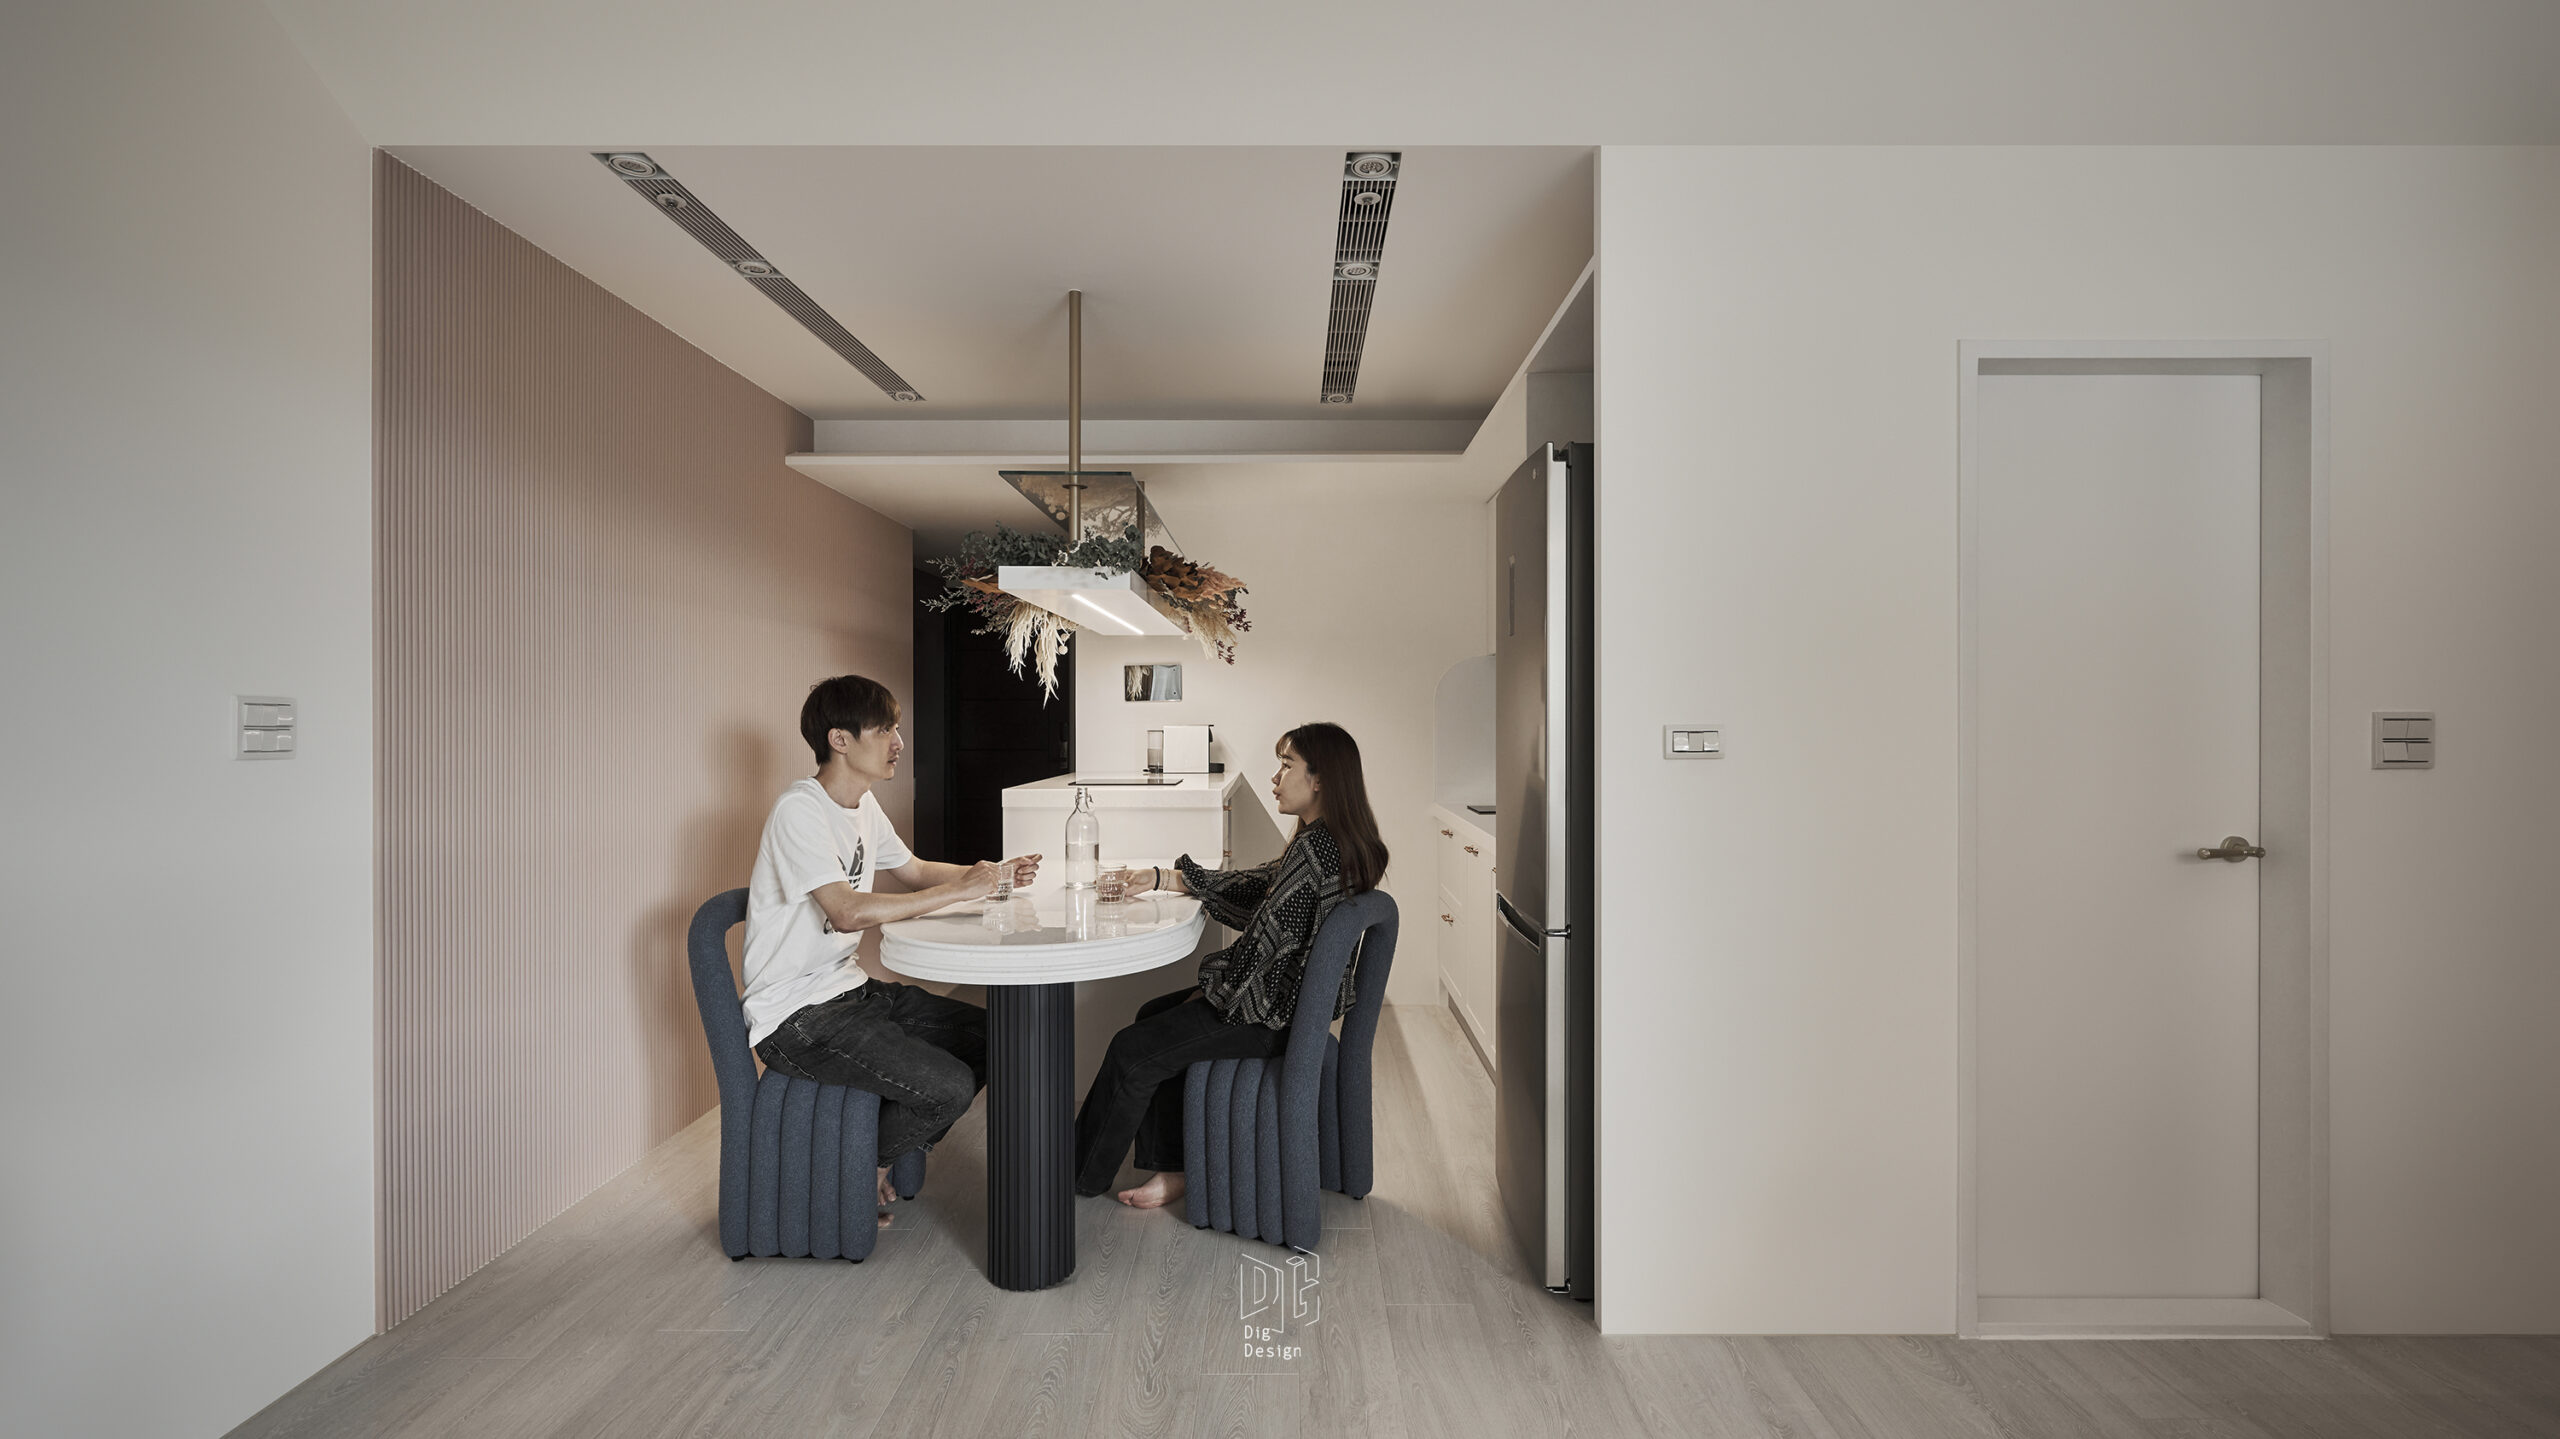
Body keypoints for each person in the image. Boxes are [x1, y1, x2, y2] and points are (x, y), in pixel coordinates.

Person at [742, 674, 1040, 1226]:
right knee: (949, 1088)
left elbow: (915, 870)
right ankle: (857, 1173)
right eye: (884, 730)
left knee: (997, 1038)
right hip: (796, 1016)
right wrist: (961, 891)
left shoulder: (863, 804)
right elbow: (845, 911)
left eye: (896, 729)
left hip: (849, 992)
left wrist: (993, 875)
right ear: (840, 739)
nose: (899, 742)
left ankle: (877, 1157)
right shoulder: (799, 810)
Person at [1070, 722, 1389, 1207]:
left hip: (1270, 1018)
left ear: (1320, 779)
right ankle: (1171, 1168)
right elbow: (1262, 890)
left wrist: (1208, 993)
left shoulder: (1315, 851)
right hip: (1292, 1010)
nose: (1275, 778)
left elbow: (1263, 947)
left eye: (1287, 765)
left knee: (1130, 1050)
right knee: (1153, 1015)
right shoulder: (1332, 843)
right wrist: (1166, 877)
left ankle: (1076, 1176)